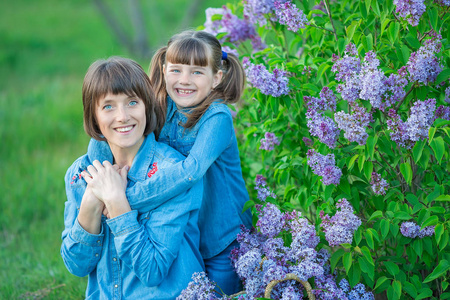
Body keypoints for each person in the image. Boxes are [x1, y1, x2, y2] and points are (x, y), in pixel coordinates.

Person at [88, 30, 252, 294]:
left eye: (197, 72)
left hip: (222, 233)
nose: (184, 80)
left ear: (216, 78)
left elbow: (191, 171)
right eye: (176, 70)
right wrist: (100, 181)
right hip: (184, 227)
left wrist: (121, 200)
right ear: (164, 70)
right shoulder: (162, 104)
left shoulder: (217, 116)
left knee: (222, 294)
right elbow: (105, 135)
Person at [60, 56, 204, 300]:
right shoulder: (80, 173)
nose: (122, 116)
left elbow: (153, 271)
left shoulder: (172, 173)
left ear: (146, 106)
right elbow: (77, 265)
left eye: (132, 102)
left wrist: (116, 202)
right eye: (108, 106)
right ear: (93, 115)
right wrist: (90, 202)